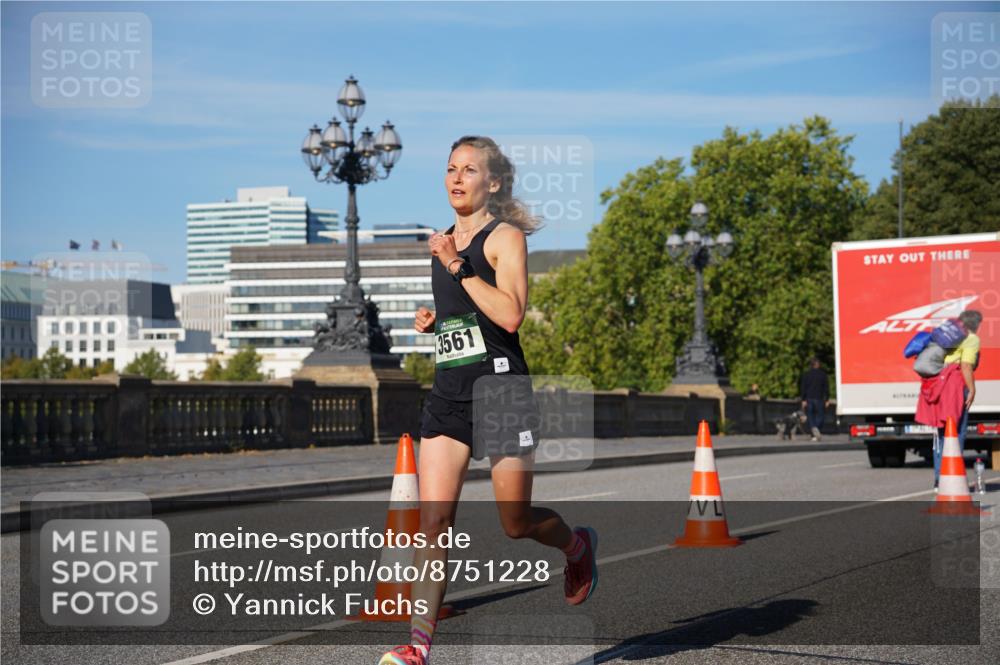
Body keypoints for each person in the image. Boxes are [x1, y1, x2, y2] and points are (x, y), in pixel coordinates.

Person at [378, 136, 598, 665]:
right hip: (450, 394)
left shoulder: (505, 239)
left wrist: (457, 266)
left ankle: (577, 547)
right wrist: (438, 326)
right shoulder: (443, 242)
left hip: (502, 393)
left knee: (515, 522)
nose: (456, 178)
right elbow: (470, 322)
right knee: (433, 522)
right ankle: (419, 647)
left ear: (493, 182)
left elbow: (510, 315)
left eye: (469, 170)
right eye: (450, 169)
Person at [929, 310, 982, 490]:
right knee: (957, 432)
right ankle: (953, 478)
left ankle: (939, 480)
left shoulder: (945, 333)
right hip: (956, 386)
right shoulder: (971, 338)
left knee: (941, 433)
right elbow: (966, 365)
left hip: (938, 384)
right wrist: (972, 389)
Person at [799, 357, 830, 441]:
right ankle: (816, 429)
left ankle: (813, 431)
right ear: (817, 365)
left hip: (809, 399)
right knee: (820, 416)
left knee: (810, 416)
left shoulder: (806, 375)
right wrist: (827, 399)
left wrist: (803, 399)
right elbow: (826, 388)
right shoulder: (823, 375)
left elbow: (803, 388)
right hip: (819, 399)